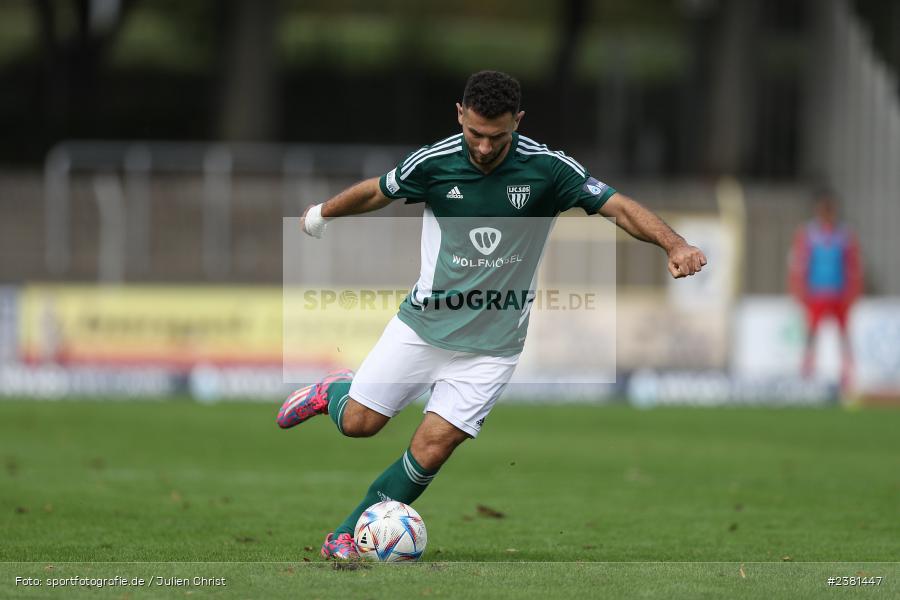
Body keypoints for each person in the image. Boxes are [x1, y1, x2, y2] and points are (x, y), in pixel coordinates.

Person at [277, 70, 707, 560]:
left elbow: (618, 208)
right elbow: (379, 190)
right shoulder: (435, 162)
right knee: (359, 423)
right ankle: (331, 391)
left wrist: (675, 244)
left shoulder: (547, 169)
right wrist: (321, 214)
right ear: (460, 115)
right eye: (474, 133)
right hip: (424, 328)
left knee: (433, 447)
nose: (483, 147)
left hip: (494, 347)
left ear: (517, 122)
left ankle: (347, 533)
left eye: (496, 136)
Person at [788, 190, 862, 388]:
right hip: (816, 292)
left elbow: (853, 265)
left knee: (844, 334)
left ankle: (847, 373)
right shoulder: (809, 234)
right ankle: (807, 371)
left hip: (838, 292)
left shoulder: (844, 235)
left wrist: (853, 291)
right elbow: (799, 263)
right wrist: (798, 287)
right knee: (812, 333)